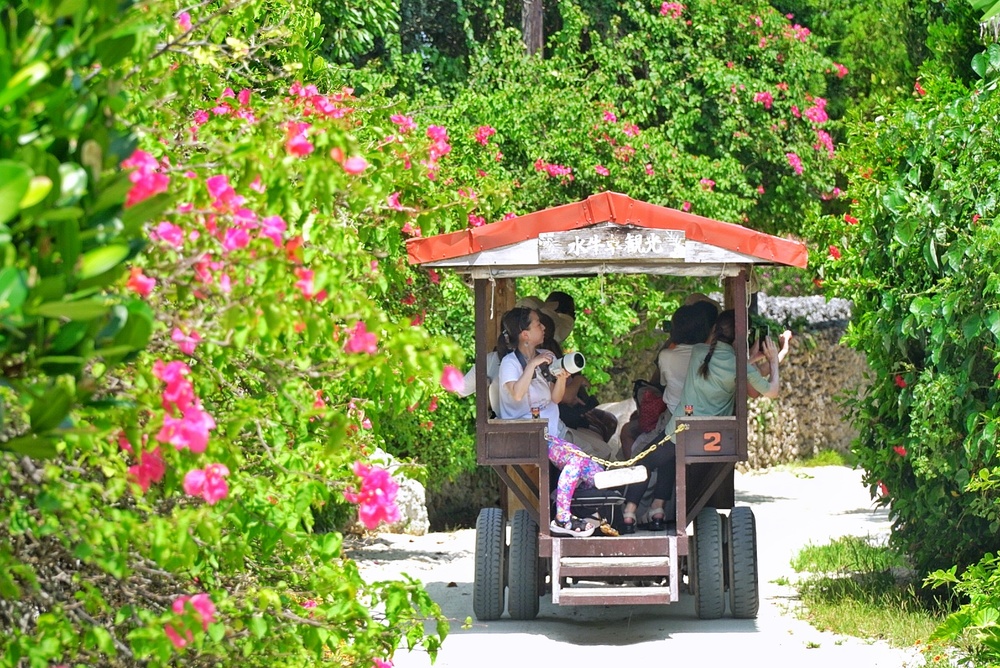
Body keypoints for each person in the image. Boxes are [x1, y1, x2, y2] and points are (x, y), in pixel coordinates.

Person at [620, 310, 781, 533]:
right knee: (669, 460)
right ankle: (657, 510)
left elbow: (714, 356)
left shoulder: (698, 351)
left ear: (715, 329)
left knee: (644, 461)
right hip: (713, 436)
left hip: (680, 429)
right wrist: (773, 361)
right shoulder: (739, 366)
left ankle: (628, 514)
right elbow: (772, 391)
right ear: (742, 335)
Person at [496, 306, 602, 537]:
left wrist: (561, 378)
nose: (543, 327)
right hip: (530, 434)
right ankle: (562, 519)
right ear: (525, 334)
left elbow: (556, 398)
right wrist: (532, 365)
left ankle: (562, 503)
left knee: (595, 471)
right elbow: (517, 393)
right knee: (575, 460)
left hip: (552, 434)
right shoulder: (510, 363)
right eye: (538, 324)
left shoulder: (545, 356)